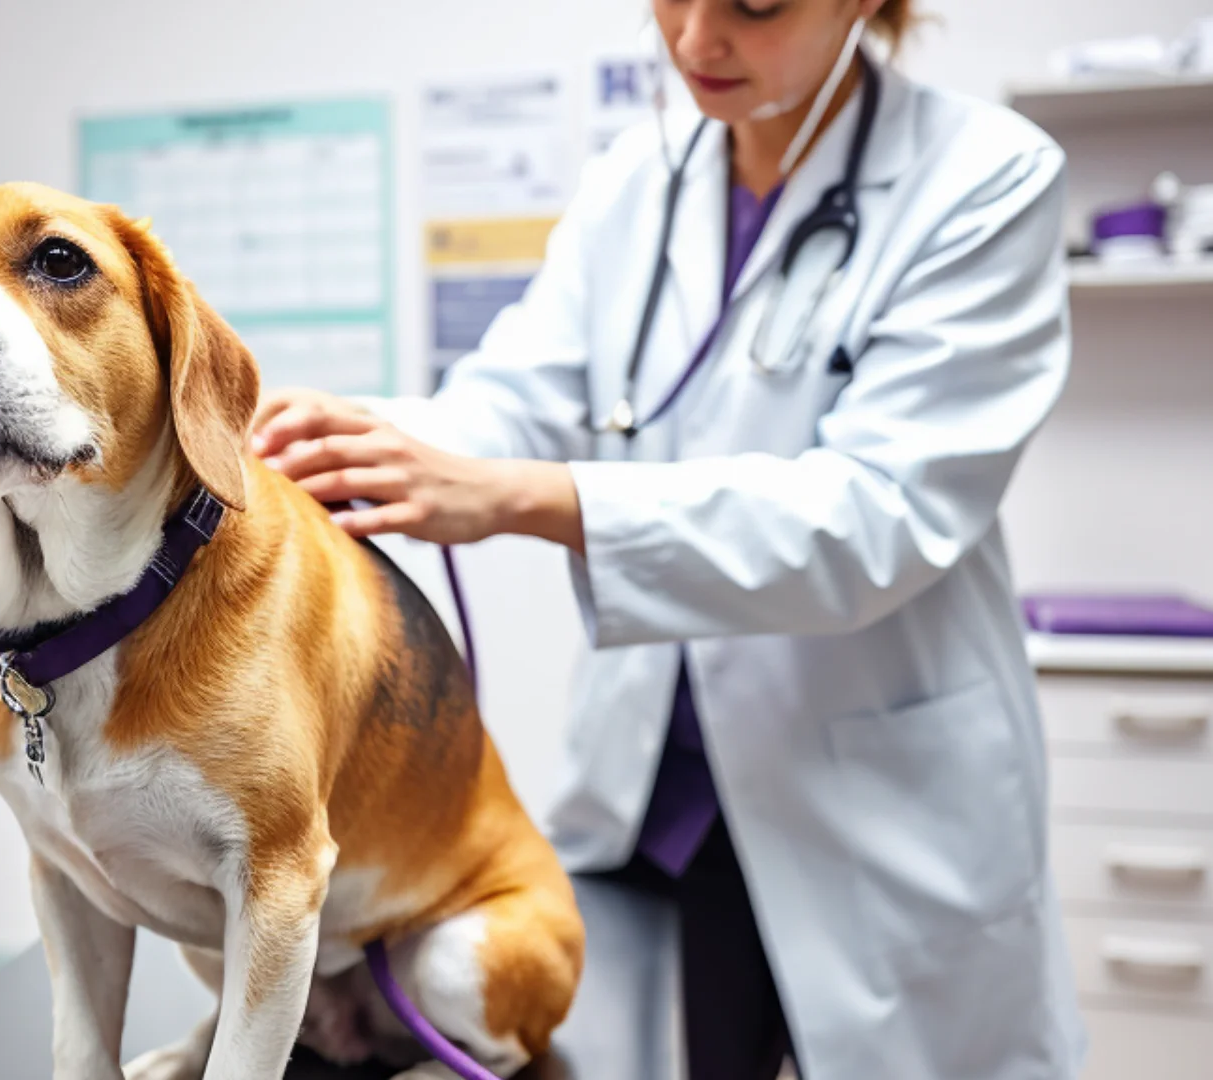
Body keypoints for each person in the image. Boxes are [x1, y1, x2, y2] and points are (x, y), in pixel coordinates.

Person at [248, 1, 1086, 1077]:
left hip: (879, 800)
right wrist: (364, 439)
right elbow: (514, 400)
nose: (694, 42)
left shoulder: (984, 177)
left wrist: (518, 496)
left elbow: (876, 515)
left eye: (754, 6)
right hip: (659, 803)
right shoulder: (641, 179)